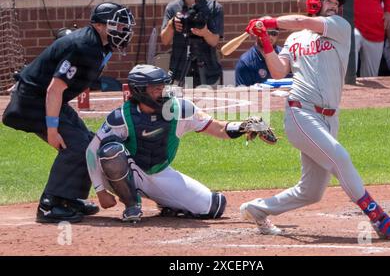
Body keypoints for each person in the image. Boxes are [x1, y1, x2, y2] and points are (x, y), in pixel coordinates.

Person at [239, 0, 390, 240]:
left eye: (335, 2)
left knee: (312, 191)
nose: (333, 5)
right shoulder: (295, 39)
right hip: (300, 112)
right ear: (314, 3)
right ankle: (378, 217)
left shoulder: (339, 27)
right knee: (340, 157)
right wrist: (265, 39)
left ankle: (256, 209)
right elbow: (277, 71)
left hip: (329, 117)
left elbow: (300, 20)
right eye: (327, 1)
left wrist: (270, 21)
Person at [85, 64, 276, 221]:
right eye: (156, 88)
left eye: (162, 86)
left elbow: (217, 128)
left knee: (214, 207)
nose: (162, 91)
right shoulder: (121, 117)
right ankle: (131, 205)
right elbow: (92, 150)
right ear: (139, 91)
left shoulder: (180, 109)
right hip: (125, 174)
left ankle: (168, 202)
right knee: (111, 150)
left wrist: (244, 126)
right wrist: (100, 190)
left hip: (158, 173)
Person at [2, 2, 135, 223]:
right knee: (76, 146)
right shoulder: (84, 46)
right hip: (32, 103)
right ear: (99, 25)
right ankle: (49, 205)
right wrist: (52, 129)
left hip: (47, 100)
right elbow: (54, 89)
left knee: (90, 143)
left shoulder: (100, 46)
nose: (123, 31)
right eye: (118, 26)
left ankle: (69, 198)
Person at [290, 0, 390, 77]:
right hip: (348, 28)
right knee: (348, 75)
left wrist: (389, 11)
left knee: (372, 76)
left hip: (374, 28)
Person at [160, 0, 224, 87]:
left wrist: (204, 33)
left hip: (207, 70)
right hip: (181, 69)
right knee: (181, 105)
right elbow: (165, 40)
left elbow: (215, 41)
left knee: (208, 104)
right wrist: (171, 25)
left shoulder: (214, 7)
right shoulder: (172, 7)